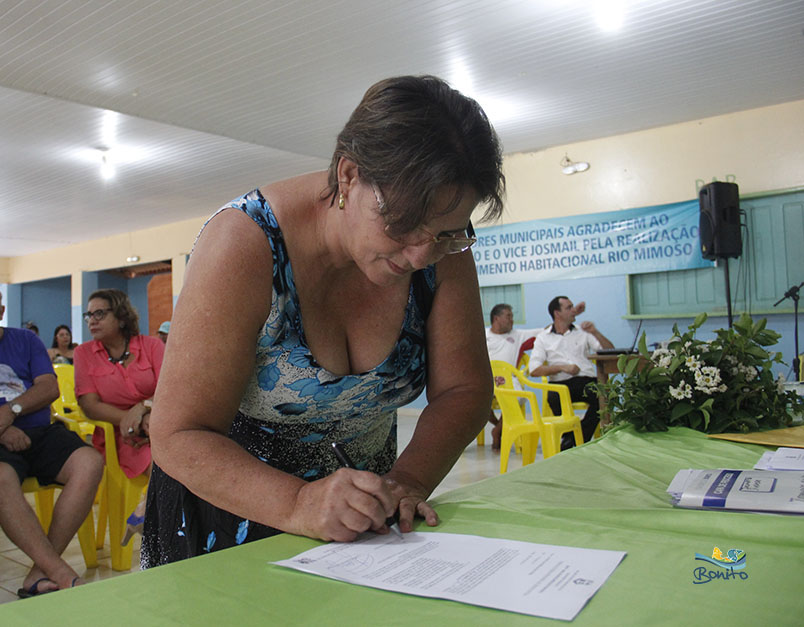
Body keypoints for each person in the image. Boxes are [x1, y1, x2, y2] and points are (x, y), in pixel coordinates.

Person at [143, 75, 504, 567]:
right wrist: (298, 504)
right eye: (402, 224)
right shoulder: (243, 246)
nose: (421, 254)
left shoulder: (440, 245)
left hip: (364, 524)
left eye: (444, 233)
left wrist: (409, 482)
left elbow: (464, 390)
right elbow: (177, 435)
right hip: (228, 517)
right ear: (350, 176)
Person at [0, 280, 104, 597]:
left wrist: (11, 411)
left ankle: (42, 570)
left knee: (90, 462)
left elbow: (48, 387)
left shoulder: (25, 340)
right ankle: (57, 571)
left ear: (0, 312)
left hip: (40, 432)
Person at [73, 289, 164, 545]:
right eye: (89, 315)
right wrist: (133, 420)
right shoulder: (84, 354)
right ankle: (159, 527)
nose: (92, 320)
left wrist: (144, 410)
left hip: (158, 423)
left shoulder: (151, 346)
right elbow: (90, 406)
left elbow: (171, 388)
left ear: (122, 317)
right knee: (173, 459)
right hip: (119, 437)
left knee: (180, 450)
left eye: (100, 313)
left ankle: (145, 510)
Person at [528, 296, 613, 449]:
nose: (574, 310)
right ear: (557, 313)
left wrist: (596, 332)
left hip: (584, 379)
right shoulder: (543, 337)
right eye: (569, 307)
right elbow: (534, 369)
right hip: (560, 383)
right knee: (554, 398)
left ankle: (574, 440)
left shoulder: (584, 331)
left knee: (602, 396)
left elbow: (610, 352)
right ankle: (575, 439)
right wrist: (561, 367)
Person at [483, 303, 547, 450]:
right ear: (496, 318)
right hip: (486, 380)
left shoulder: (519, 336)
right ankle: (499, 425)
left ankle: (497, 430)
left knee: (516, 398)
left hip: (508, 380)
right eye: (509, 316)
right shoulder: (482, 335)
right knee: (476, 401)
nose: (512, 320)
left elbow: (547, 331)